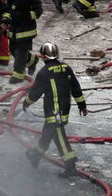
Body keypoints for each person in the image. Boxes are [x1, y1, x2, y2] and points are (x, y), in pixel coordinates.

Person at [19, 42, 87, 177]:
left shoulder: (44, 73)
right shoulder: (66, 68)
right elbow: (76, 88)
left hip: (53, 112)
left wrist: (26, 103)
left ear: (43, 56)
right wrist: (82, 106)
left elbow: (35, 93)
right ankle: (35, 155)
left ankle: (71, 166)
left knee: (60, 138)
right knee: (47, 134)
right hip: (64, 110)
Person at [4, 0, 42, 84]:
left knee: (20, 52)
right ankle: (32, 61)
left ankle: (18, 75)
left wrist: (23, 15)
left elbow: (38, 12)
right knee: (13, 49)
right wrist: (6, 20)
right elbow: (8, 8)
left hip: (26, 29)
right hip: (14, 28)